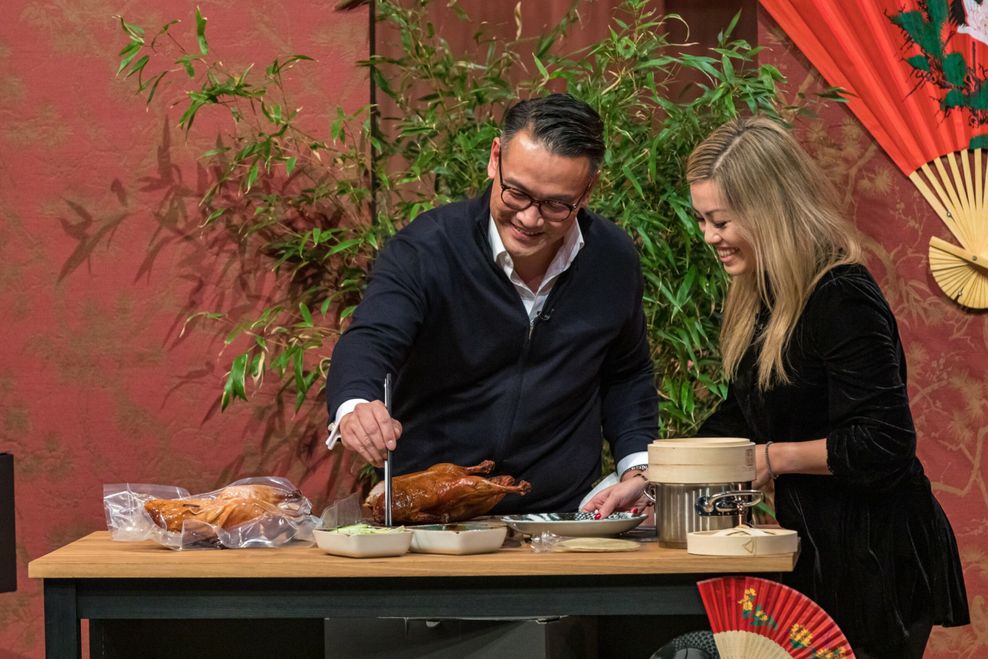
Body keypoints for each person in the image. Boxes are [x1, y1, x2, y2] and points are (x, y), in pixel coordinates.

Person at [683, 115, 969, 658]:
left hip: (879, 556)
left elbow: (883, 444)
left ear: (768, 211)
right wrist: (653, 476)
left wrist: (772, 458)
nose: (709, 237)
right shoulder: (765, 294)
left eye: (720, 221)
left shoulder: (841, 295)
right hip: (821, 550)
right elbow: (742, 416)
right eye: (702, 220)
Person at [325, 93, 657, 516]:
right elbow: (371, 338)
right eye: (516, 192)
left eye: (556, 204)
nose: (530, 219)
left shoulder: (612, 258)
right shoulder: (428, 248)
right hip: (430, 513)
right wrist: (355, 405)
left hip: (560, 515)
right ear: (494, 158)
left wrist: (638, 471)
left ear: (588, 190)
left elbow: (627, 374)